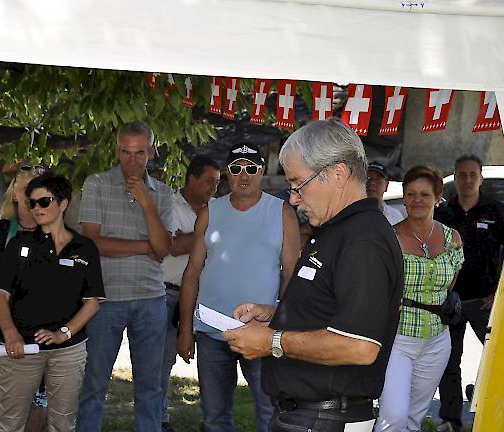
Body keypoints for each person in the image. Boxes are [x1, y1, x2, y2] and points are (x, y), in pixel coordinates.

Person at [223, 118, 404, 432]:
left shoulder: (364, 240)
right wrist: (277, 316)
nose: (293, 198)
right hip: (307, 416)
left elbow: (360, 345)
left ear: (338, 174)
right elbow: (334, 310)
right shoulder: (336, 230)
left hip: (325, 418)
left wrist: (273, 341)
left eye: (298, 184)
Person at [178, 142, 300, 432]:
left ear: (261, 171)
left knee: (270, 412)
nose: (243, 175)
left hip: (263, 331)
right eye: (235, 169)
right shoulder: (210, 213)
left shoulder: (281, 212)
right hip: (211, 331)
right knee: (213, 416)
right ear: (226, 174)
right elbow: (192, 273)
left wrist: (286, 327)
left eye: (250, 168)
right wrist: (185, 329)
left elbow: (291, 277)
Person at [77, 121, 175, 432]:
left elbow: (163, 250)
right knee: (93, 384)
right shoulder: (97, 184)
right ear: (117, 150)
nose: (132, 160)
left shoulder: (163, 193)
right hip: (105, 299)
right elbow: (92, 244)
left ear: (152, 152)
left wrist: (147, 203)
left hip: (151, 301)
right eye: (126, 153)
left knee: (151, 386)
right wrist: (145, 246)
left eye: (140, 153)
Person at [0, 173, 105, 432]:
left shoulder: (85, 248)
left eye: (44, 201)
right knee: (9, 422)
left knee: (63, 422)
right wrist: (10, 336)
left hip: (69, 350)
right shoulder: (19, 244)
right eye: (32, 203)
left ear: (63, 203)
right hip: (20, 347)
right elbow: (0, 295)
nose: (36, 209)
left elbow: (92, 302)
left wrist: (63, 334)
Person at [435, 154, 504, 431]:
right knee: (449, 362)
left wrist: (501, 290)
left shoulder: (495, 210)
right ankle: (451, 419)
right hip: (451, 302)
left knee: (498, 357)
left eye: (472, 174)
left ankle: (489, 403)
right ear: (455, 177)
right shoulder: (444, 213)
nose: (466, 180)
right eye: (461, 174)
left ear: (481, 178)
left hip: (487, 301)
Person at [374, 165, 464, 432]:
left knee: (414, 419)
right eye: (410, 194)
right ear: (403, 197)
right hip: (398, 339)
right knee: (394, 416)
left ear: (438, 198)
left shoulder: (452, 238)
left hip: (437, 342)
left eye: (424, 194)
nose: (417, 200)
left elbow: (450, 283)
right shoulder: (390, 236)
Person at [0, 164, 47, 431]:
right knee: (0, 395)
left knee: (36, 399)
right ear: (15, 195)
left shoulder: (55, 233)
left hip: (41, 328)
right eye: (25, 189)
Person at [160, 155, 220, 432]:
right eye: (209, 181)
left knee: (213, 360)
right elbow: (170, 245)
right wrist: (204, 233)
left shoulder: (217, 209)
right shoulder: (169, 204)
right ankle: (159, 419)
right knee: (162, 360)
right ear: (191, 178)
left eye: (218, 183)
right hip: (168, 294)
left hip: (205, 296)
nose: (214, 188)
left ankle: (214, 420)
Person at [366, 161, 404, 225]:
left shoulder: (395, 216)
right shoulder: (351, 214)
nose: (372, 183)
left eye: (378, 179)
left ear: (386, 185)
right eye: (368, 178)